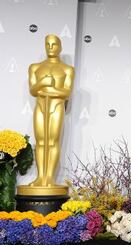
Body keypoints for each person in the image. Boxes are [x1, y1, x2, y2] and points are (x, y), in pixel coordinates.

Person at [28, 34, 74, 187]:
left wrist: (50, 89)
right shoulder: (35, 67)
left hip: (56, 106)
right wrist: (43, 82)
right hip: (41, 106)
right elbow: (33, 90)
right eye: (47, 44)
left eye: (54, 44)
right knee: (40, 141)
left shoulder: (67, 69)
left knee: (53, 141)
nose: (50, 47)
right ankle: (40, 177)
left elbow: (66, 93)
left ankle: (49, 178)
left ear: (60, 47)